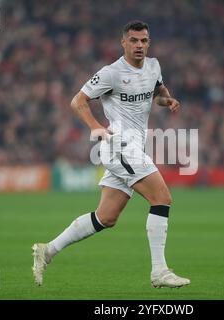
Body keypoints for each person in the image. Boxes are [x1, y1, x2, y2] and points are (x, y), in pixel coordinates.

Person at [32, 20, 190, 288]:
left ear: (148, 43)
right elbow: (77, 101)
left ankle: (47, 251)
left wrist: (168, 100)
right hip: (119, 146)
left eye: (144, 41)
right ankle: (159, 271)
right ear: (123, 42)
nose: (139, 45)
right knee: (162, 197)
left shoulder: (154, 66)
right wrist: (96, 127)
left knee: (106, 217)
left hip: (134, 148)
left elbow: (158, 93)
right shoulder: (111, 73)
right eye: (134, 41)